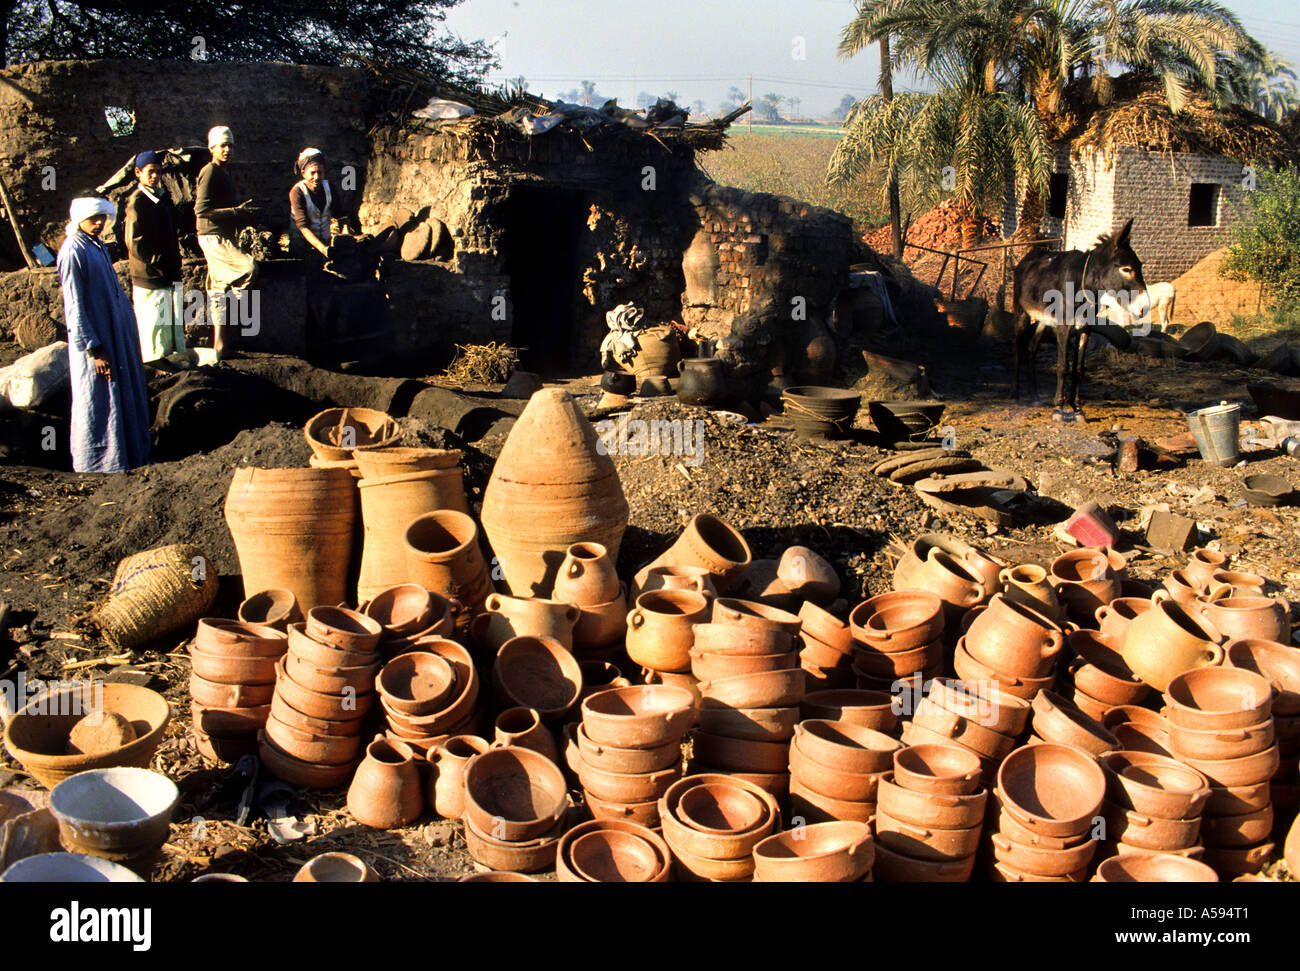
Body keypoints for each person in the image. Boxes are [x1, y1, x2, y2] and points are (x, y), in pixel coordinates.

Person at [57, 194, 151, 473]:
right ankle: (98, 465)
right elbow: (74, 306)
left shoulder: (95, 246)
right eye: (92, 218)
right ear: (78, 218)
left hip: (113, 336)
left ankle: (130, 457)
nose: (98, 223)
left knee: (121, 393)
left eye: (102, 218)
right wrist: (93, 348)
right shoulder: (73, 251)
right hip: (97, 343)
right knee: (100, 398)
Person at [194, 125, 258, 360]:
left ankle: (220, 345)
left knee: (219, 288)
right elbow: (201, 210)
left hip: (221, 235)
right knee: (249, 268)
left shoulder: (224, 172)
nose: (227, 150)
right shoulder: (210, 171)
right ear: (212, 148)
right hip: (212, 236)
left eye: (230, 145)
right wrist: (235, 212)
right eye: (222, 145)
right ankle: (239, 311)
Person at [124, 149, 187, 364]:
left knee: (168, 323)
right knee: (154, 326)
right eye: (150, 172)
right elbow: (135, 242)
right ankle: (155, 366)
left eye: (158, 172)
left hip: (166, 272)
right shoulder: (137, 202)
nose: (155, 176)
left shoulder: (161, 198)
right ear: (138, 173)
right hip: (151, 275)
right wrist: (158, 262)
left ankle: (168, 363)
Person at [288, 147, 359, 262]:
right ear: (303, 173)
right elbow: (303, 227)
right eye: (312, 173)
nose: (316, 177)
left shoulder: (330, 187)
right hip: (302, 246)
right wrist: (323, 249)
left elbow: (341, 216)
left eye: (320, 172)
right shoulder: (297, 192)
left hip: (325, 243)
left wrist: (346, 235)